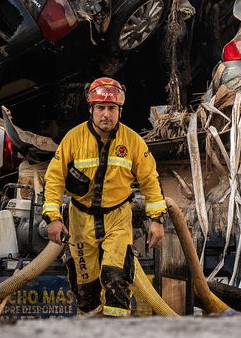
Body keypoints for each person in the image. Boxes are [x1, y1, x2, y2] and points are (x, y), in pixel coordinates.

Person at [42, 77, 166, 317]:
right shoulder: (73, 139)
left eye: (111, 108)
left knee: (116, 279)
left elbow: (151, 181)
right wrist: (53, 218)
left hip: (117, 219)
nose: (106, 114)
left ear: (119, 110)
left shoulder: (133, 142)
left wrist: (157, 220)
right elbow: (54, 179)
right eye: (100, 108)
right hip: (80, 221)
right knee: (85, 291)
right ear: (91, 109)